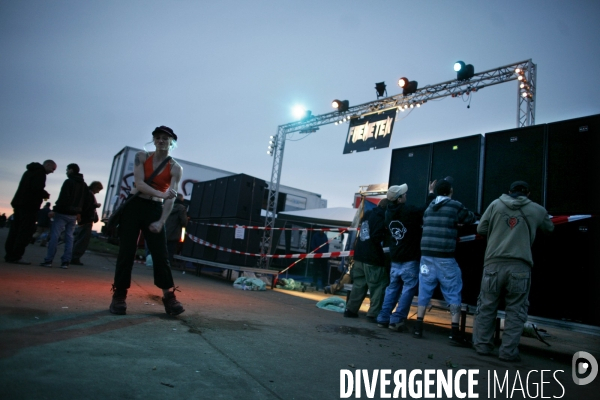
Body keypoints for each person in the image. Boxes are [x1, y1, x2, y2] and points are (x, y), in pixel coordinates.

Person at [473, 181, 554, 362]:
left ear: (509, 192)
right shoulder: (537, 210)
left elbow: (481, 229)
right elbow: (550, 228)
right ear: (529, 193)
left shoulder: (495, 204)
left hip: (493, 263)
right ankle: (508, 352)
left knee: (487, 306)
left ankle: (483, 346)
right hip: (520, 266)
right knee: (516, 311)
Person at [109, 126, 185, 316]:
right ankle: (119, 294)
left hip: (154, 209)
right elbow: (140, 184)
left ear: (171, 142)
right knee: (127, 251)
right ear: (153, 140)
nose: (161, 140)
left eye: (165, 138)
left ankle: (169, 296)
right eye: (157, 137)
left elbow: (171, 198)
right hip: (134, 207)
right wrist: (161, 193)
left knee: (160, 254)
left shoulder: (176, 168)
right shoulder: (141, 157)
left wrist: (161, 221)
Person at [414, 178, 476, 345]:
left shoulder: (428, 209)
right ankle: (454, 331)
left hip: (426, 256)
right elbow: (469, 218)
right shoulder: (454, 205)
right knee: (453, 291)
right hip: (445, 257)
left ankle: (418, 326)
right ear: (450, 191)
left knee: (424, 290)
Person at [376, 182, 437, 331]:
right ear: (398, 199)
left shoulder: (388, 212)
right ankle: (396, 320)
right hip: (409, 258)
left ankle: (383, 317)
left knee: (392, 288)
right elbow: (426, 209)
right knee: (408, 289)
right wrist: (431, 192)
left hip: (395, 258)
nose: (405, 195)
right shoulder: (408, 210)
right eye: (403, 194)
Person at [344, 199, 389, 322]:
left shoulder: (367, 215)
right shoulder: (382, 217)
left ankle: (350, 310)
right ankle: (373, 314)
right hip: (373, 259)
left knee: (358, 286)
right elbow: (377, 237)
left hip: (359, 256)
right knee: (378, 286)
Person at [4, 160, 56, 264]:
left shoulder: (29, 172)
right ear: (48, 165)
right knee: (25, 232)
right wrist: (44, 194)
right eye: (52, 169)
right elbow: (36, 189)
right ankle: (16, 255)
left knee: (14, 231)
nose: (52, 171)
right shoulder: (40, 173)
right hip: (29, 206)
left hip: (19, 204)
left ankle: (9, 254)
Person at [40, 164, 87, 269]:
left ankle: (49, 260)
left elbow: (63, 197)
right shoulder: (83, 184)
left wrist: (55, 210)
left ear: (71, 170)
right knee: (69, 238)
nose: (66, 172)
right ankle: (65, 262)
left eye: (67, 170)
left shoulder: (68, 182)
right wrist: (79, 212)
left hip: (63, 213)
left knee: (55, 237)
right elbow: (84, 200)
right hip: (74, 215)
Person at [71, 181, 103, 265]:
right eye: (98, 189)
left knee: (79, 238)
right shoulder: (89, 194)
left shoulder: (87, 193)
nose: (98, 192)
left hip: (84, 220)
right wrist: (95, 206)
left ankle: (72, 256)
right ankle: (75, 257)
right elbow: (87, 207)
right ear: (95, 187)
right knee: (83, 240)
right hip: (87, 220)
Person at [165, 193, 188, 267]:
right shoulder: (181, 208)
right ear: (181, 199)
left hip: (165, 231)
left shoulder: (168, 205)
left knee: (164, 249)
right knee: (171, 250)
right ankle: (168, 265)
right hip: (174, 233)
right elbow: (184, 222)